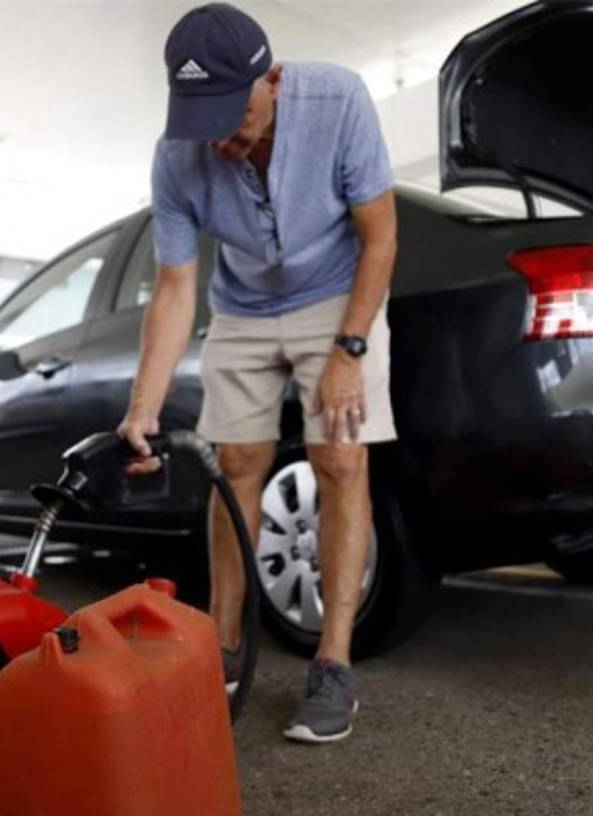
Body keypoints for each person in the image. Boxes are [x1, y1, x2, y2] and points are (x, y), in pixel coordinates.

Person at [117, 2, 397, 744]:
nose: (222, 136)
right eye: (204, 117)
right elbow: (174, 287)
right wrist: (143, 406)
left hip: (336, 294)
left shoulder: (338, 99)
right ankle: (224, 645)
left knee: (340, 459)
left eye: (235, 112)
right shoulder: (176, 156)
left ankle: (333, 663)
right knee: (236, 463)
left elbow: (380, 237)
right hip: (240, 305)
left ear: (272, 78)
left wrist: (350, 351)